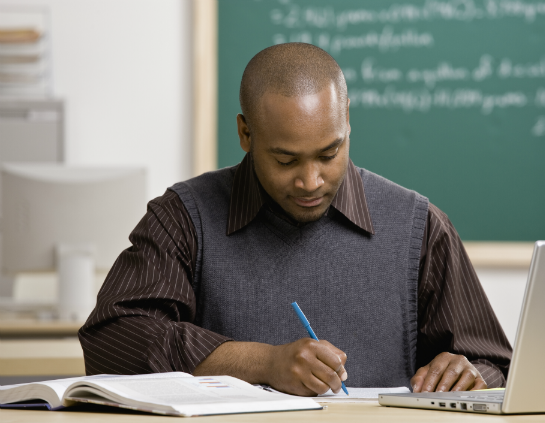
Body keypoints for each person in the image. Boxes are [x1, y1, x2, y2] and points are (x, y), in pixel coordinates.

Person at [79, 43, 511, 396]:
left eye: (329, 154)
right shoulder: (183, 217)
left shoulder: (420, 227)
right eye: (286, 160)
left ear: (347, 125)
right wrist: (263, 363)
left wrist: (470, 374)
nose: (311, 181)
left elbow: (498, 365)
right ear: (245, 133)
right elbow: (111, 340)